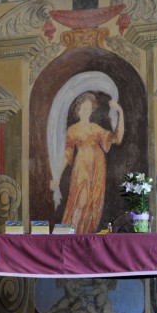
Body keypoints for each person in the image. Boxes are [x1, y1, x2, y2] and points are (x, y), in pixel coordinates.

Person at [50, 92, 124, 233]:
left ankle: (86, 236)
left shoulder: (96, 128)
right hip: (82, 167)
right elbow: (67, 155)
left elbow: (117, 138)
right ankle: (74, 234)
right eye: (84, 108)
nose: (86, 111)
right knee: (81, 201)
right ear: (78, 110)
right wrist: (57, 178)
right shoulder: (73, 130)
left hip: (98, 168)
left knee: (93, 203)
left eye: (89, 108)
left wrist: (120, 112)